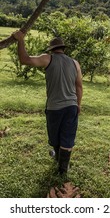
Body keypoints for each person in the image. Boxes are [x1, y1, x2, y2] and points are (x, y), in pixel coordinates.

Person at [12, 31, 83, 175]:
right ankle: (63, 170)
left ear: (51, 49)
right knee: (68, 137)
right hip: (71, 106)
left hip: (54, 108)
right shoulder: (75, 63)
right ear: (63, 49)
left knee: (55, 136)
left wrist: (20, 40)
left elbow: (24, 59)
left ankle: (59, 160)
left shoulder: (47, 59)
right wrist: (78, 104)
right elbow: (79, 86)